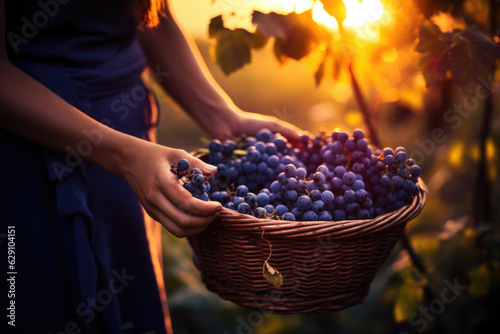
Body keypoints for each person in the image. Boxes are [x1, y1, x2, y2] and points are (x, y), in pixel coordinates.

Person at [0, 0, 302, 333]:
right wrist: (124, 155)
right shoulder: (127, 156)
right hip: (30, 139)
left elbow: (152, 12)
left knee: (130, 283)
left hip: (127, 129)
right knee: (35, 294)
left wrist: (223, 117)